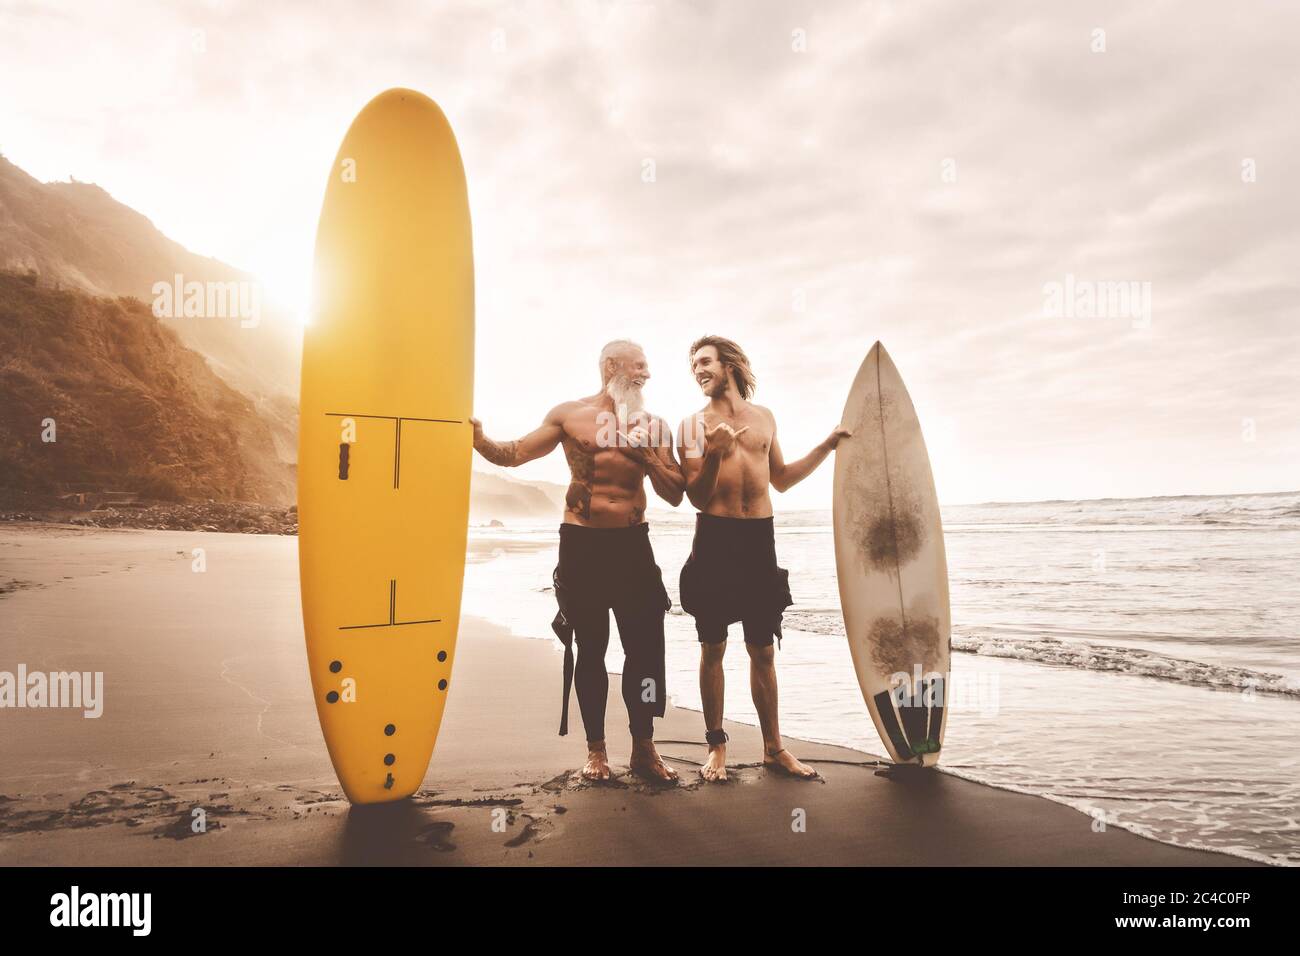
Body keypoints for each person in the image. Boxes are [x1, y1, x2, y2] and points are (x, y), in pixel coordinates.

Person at [471, 340, 684, 783]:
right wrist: (479, 440)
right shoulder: (570, 414)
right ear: (612, 366)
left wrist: (647, 458)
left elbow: (675, 493)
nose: (647, 374)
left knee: (644, 651)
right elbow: (516, 453)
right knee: (591, 648)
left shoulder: (654, 426)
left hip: (633, 545)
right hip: (582, 545)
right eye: (639, 365)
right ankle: (597, 751)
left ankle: (644, 748)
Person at [677, 335, 850, 782]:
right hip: (715, 538)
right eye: (693, 364)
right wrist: (714, 453)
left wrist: (828, 446)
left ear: (729, 364)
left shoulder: (765, 418)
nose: (698, 370)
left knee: (762, 649)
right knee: (712, 646)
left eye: (705, 361)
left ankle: (774, 748)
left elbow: (784, 479)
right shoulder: (692, 425)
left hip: (759, 540)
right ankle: (716, 745)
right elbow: (695, 495)